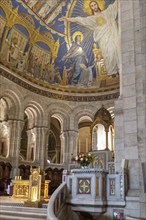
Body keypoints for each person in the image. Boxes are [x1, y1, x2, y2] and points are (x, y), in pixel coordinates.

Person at [60, 0, 119, 76]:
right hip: (102, 38)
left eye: (95, 4)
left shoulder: (106, 13)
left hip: (111, 35)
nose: (94, 7)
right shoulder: (91, 19)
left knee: (113, 50)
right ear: (90, 8)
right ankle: (111, 72)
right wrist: (67, 19)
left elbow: (114, 5)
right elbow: (79, 19)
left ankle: (116, 70)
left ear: (98, 5)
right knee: (107, 54)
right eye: (92, 6)